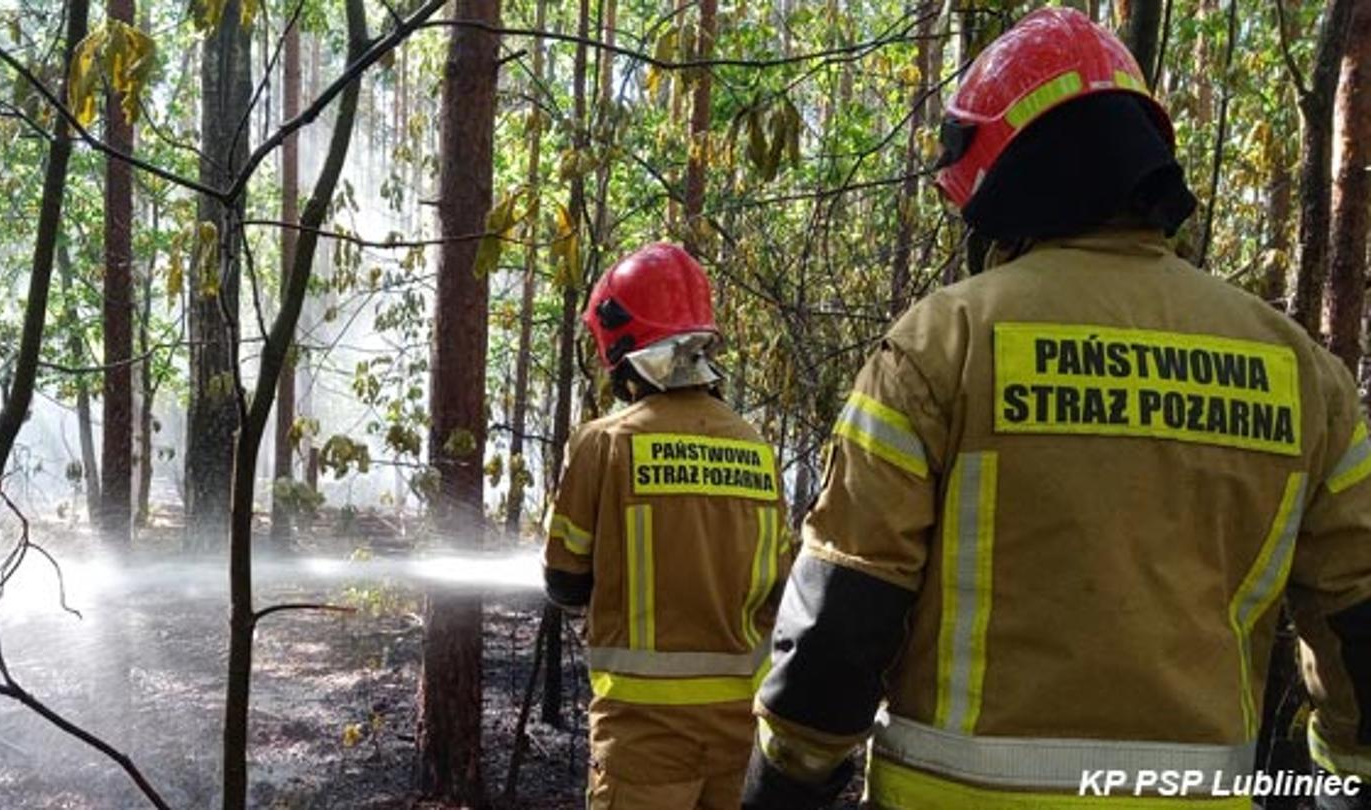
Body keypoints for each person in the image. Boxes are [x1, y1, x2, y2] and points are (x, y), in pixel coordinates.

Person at [741, 8, 1371, 810]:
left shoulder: (944, 343)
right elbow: (1359, 614)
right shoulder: (1301, 372)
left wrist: (785, 773)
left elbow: (844, 610)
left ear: (1001, 179)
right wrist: (1346, 779)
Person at [542, 243, 794, 809]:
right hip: (738, 736)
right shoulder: (756, 448)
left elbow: (564, 583)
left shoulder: (604, 444)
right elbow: (779, 592)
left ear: (620, 346)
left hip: (642, 740)